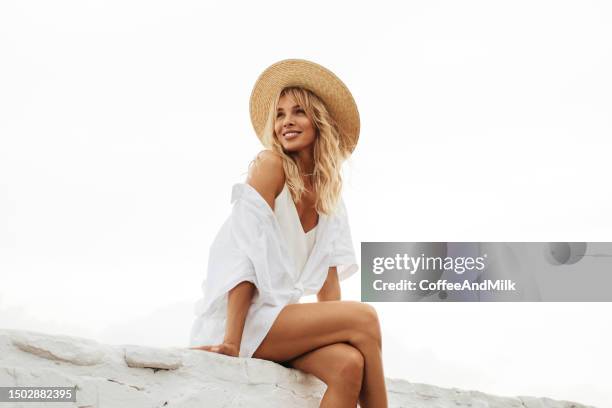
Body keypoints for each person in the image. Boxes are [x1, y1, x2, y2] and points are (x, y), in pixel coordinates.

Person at [189, 59, 388, 407]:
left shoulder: (330, 199)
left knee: (348, 364)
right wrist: (231, 342)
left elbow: (329, 291)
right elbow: (243, 257)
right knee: (365, 317)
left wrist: (336, 334)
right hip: (243, 322)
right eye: (279, 114)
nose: (286, 122)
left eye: (298, 112)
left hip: (281, 323)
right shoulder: (270, 166)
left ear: (319, 121)